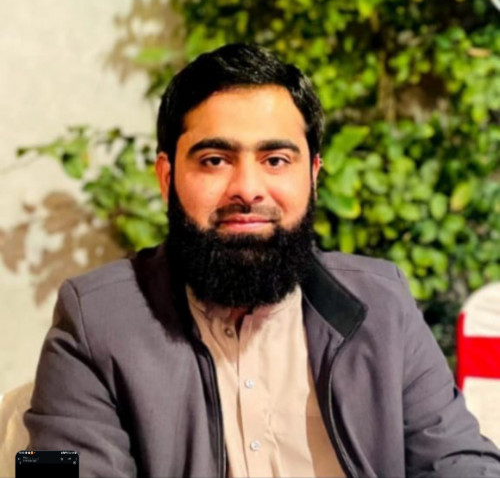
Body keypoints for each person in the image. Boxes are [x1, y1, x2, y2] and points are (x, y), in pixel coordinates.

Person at [24, 43, 500, 477]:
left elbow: (462, 461)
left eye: (275, 160)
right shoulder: (92, 319)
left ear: (313, 175)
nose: (248, 189)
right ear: (167, 178)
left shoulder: (382, 303)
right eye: (215, 160)